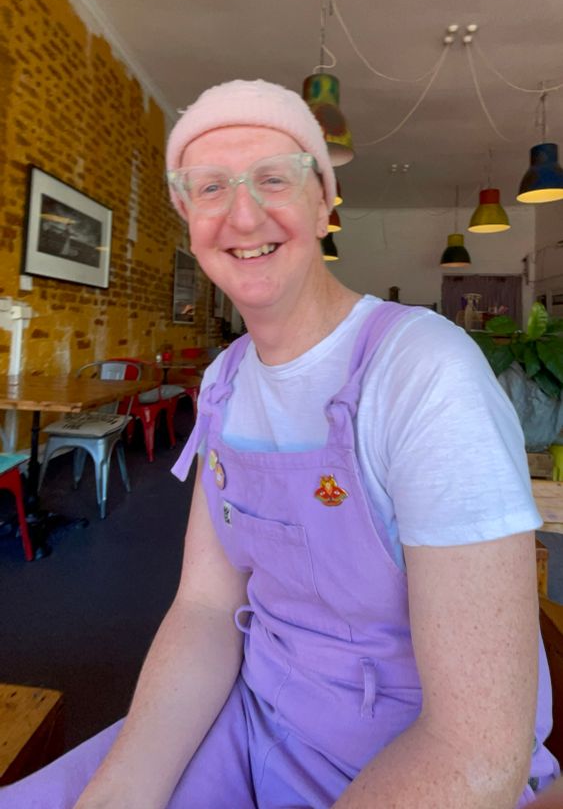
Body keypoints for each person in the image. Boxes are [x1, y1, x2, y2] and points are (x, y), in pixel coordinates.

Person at [2, 79, 561, 808]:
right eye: (209, 187)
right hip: (252, 720)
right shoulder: (226, 379)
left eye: (273, 177)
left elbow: (474, 751)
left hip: (410, 768)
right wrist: (119, 793)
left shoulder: (423, 371)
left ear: (324, 204)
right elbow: (205, 609)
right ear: (186, 213)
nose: (241, 212)